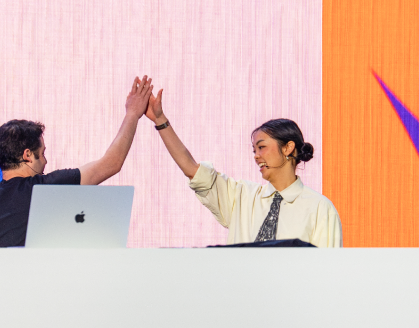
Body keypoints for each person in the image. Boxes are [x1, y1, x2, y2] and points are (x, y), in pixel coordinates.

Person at [0, 77, 154, 247]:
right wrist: (132, 114)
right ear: (28, 155)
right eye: (43, 153)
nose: (46, 161)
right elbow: (112, 163)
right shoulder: (48, 189)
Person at [142, 91, 340, 247]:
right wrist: (160, 120)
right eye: (254, 149)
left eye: (262, 147)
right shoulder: (241, 196)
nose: (256, 155)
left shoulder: (320, 209)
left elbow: (328, 275)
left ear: (288, 147)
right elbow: (191, 169)